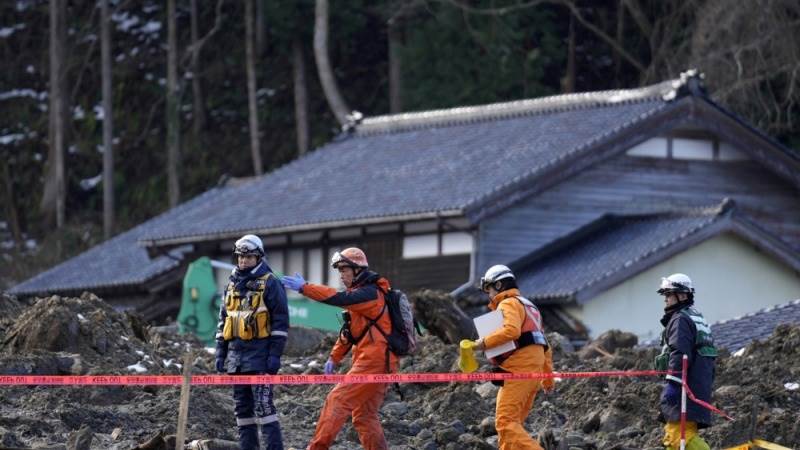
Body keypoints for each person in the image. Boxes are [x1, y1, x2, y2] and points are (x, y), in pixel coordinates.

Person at [281, 247, 396, 450]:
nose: (341, 275)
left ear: (358, 269)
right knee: (364, 416)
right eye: (339, 270)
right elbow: (350, 333)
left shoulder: (369, 294)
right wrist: (334, 358)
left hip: (374, 361)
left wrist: (305, 288)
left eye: (344, 269)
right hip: (380, 361)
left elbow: (337, 298)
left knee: (337, 399)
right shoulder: (363, 295)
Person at [215, 234, 289, 450]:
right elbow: (223, 320)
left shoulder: (270, 283)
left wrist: (274, 356)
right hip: (236, 358)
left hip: (261, 358)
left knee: (264, 407)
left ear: (258, 257)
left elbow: (281, 323)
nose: (243, 261)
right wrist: (221, 352)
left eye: (248, 257)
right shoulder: (231, 284)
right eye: (240, 257)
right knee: (242, 410)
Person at [471, 265, 554, 450]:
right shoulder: (530, 306)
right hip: (533, 375)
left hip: (518, 372)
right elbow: (544, 345)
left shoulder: (508, 303)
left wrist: (482, 343)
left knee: (505, 424)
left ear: (499, 285)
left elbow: (511, 330)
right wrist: (547, 379)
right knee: (511, 430)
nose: (488, 295)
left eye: (489, 289)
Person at [654, 273, 717, 450]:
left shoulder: (680, 319)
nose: (665, 300)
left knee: (678, 437)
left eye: (668, 295)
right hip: (697, 386)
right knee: (673, 437)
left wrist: (674, 383)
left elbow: (680, 352)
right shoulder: (696, 317)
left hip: (685, 388)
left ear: (681, 295)